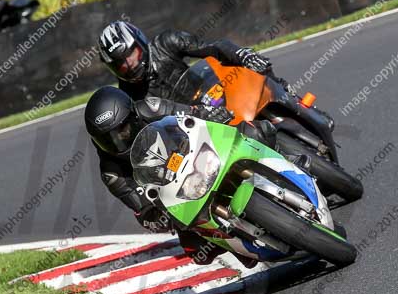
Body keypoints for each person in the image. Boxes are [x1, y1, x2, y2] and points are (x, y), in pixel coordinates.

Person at [84, 86, 279, 268]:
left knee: (255, 130)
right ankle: (243, 246)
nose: (118, 140)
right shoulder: (112, 173)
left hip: (200, 154)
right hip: (181, 194)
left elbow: (191, 113)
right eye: (107, 139)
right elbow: (142, 211)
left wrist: (210, 114)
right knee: (196, 248)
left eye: (122, 131)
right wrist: (160, 217)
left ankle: (291, 162)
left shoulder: (151, 108)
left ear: (134, 116)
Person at [97, 21, 278, 100]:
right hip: (193, 135)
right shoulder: (127, 97)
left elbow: (214, 48)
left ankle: (285, 93)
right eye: (120, 63)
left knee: (255, 68)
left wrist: (242, 55)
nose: (129, 64)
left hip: (214, 96)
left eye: (131, 54)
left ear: (140, 43)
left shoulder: (167, 42)